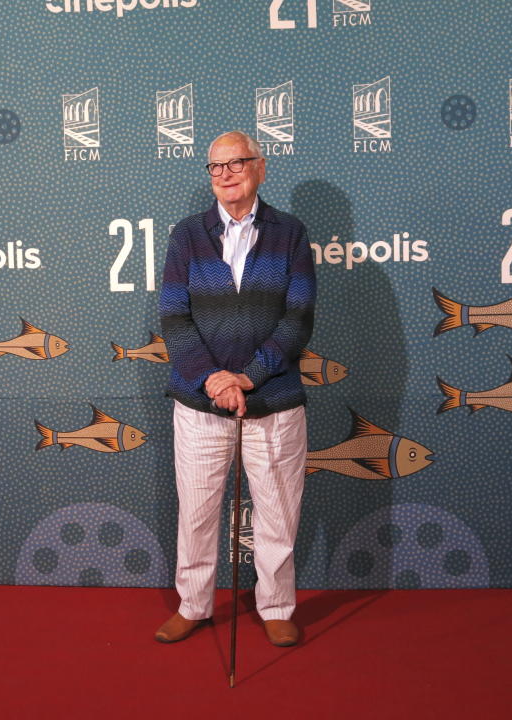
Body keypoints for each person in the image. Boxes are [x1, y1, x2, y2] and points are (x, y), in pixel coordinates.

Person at [155, 131, 316, 647]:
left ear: (260, 168)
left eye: (237, 162)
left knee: (277, 511)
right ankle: (194, 604)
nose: (226, 173)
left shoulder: (291, 234)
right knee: (198, 513)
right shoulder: (186, 236)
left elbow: (298, 318)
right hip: (201, 403)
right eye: (216, 166)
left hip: (273, 401)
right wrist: (214, 379)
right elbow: (175, 320)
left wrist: (250, 375)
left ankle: (275, 606)